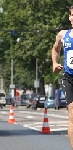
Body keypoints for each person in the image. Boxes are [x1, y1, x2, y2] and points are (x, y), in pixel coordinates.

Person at [51, 6, 73, 148]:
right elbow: (55, 49)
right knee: (72, 113)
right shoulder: (62, 35)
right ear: (70, 17)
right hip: (69, 78)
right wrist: (54, 63)